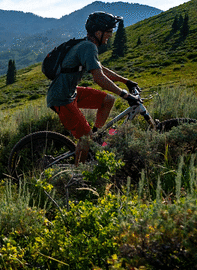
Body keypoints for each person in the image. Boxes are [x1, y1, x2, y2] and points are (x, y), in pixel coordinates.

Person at [46, 12, 141, 165]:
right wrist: (125, 95)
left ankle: (96, 137)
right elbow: (99, 78)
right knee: (85, 139)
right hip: (61, 98)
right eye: (109, 32)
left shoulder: (86, 45)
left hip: (71, 92)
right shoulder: (88, 47)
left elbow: (100, 69)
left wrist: (126, 81)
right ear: (98, 33)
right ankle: (77, 175)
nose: (110, 35)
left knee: (108, 100)